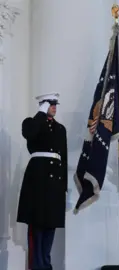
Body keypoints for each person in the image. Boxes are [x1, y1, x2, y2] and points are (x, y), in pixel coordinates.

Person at [17, 92, 68, 270]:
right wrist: (40, 114)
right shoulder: (32, 123)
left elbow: (64, 158)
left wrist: (64, 188)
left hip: (54, 183)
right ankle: (37, 265)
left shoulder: (60, 129)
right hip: (37, 181)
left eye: (55, 104)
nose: (54, 106)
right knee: (37, 225)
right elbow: (29, 134)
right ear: (42, 105)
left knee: (50, 225)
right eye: (50, 103)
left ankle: (46, 264)